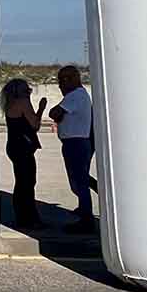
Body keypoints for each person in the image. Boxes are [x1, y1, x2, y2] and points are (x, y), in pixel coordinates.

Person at [50, 65, 94, 232]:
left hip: (75, 143)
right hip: (75, 142)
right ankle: (84, 210)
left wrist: (58, 114)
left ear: (72, 79)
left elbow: (55, 113)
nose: (60, 85)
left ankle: (86, 219)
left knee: (79, 182)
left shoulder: (74, 96)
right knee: (79, 180)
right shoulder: (77, 95)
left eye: (62, 80)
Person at [1, 77, 45, 229]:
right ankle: (29, 218)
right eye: (26, 90)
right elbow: (35, 124)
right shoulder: (23, 102)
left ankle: (23, 216)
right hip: (23, 146)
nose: (29, 92)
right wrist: (41, 108)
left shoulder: (9, 104)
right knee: (27, 183)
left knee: (21, 183)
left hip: (14, 145)